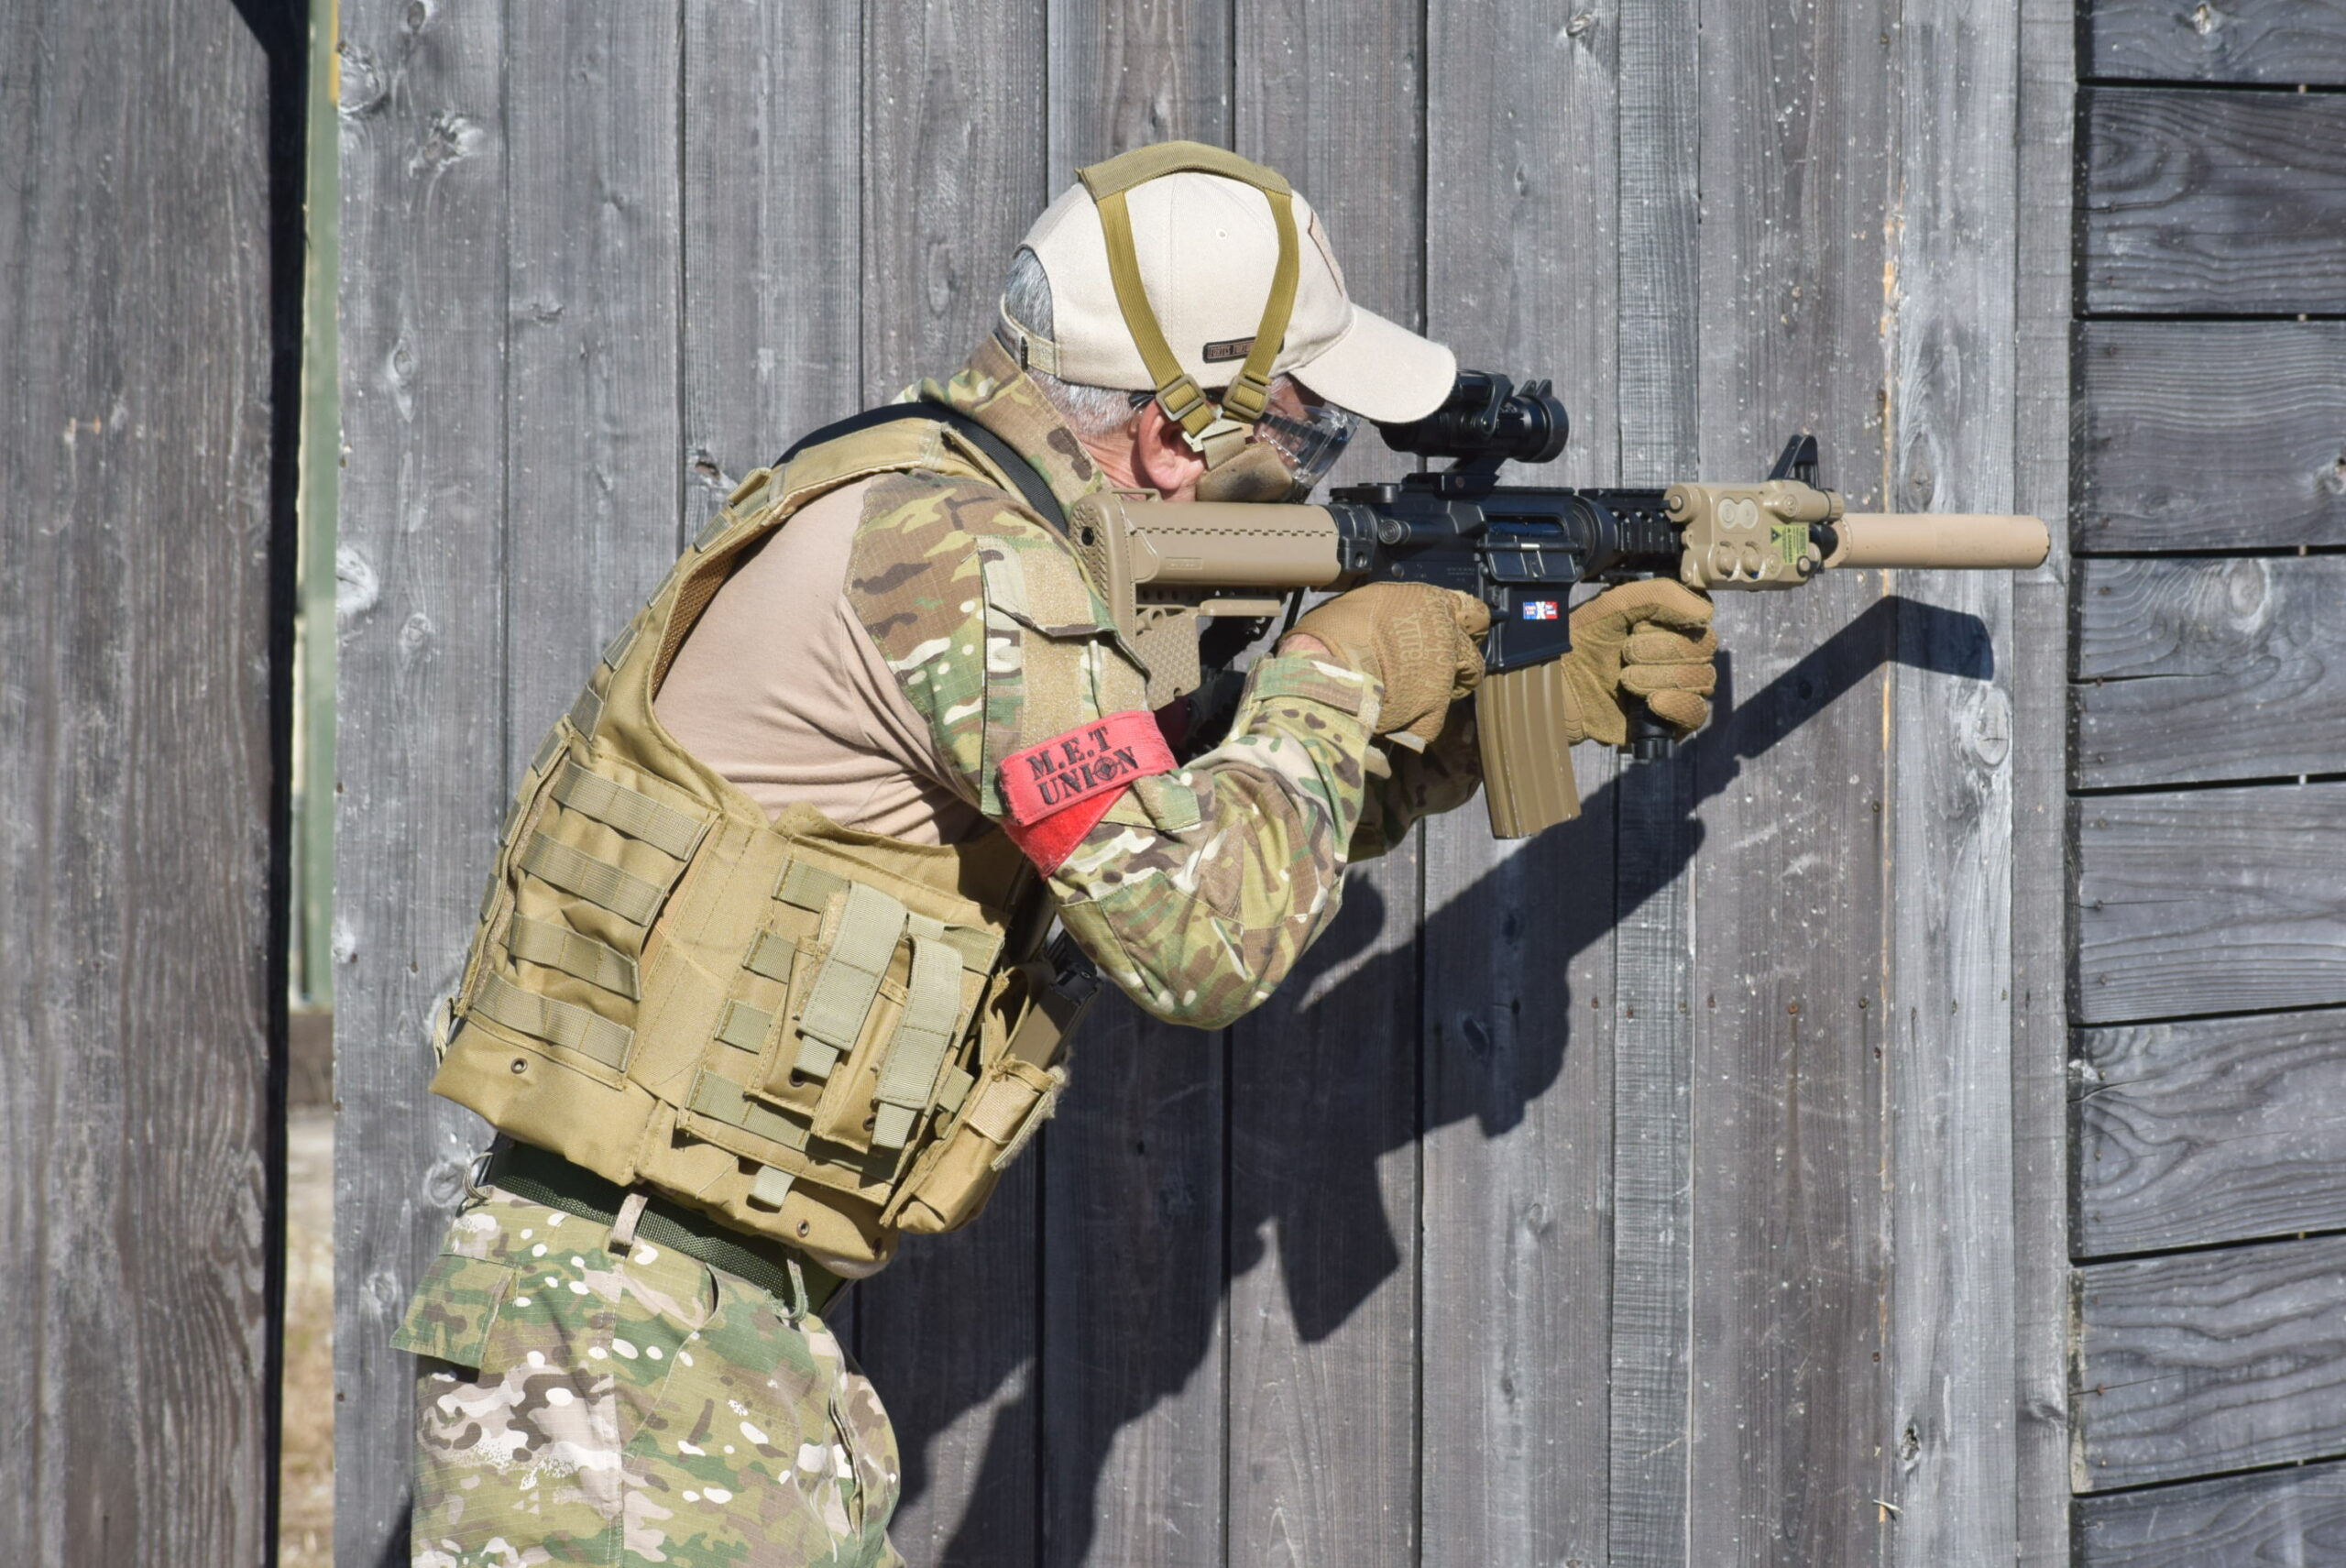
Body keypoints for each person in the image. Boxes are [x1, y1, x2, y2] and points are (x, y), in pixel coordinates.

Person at [395, 142, 1719, 1568]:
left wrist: (1476, 733)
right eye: (1306, 437)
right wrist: (1335, 675)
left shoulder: (947, 515)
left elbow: (1173, 840)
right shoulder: (958, 561)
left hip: (664, 1331)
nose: (1311, 482)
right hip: (626, 1360)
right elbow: (1200, 944)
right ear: (1175, 436)